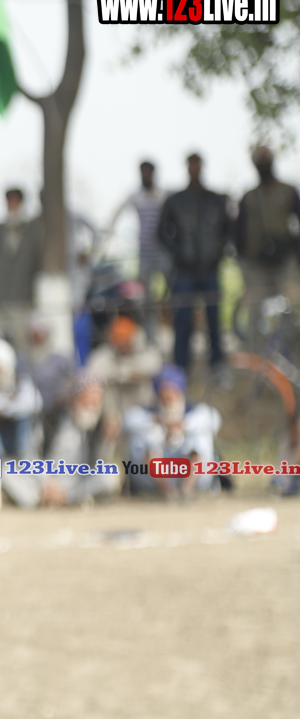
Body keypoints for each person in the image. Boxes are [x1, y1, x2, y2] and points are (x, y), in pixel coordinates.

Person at [158, 152, 234, 373]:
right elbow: (161, 232)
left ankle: (217, 365)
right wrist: (178, 252)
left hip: (210, 268)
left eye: (197, 165)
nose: (194, 169)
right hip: (184, 271)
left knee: (214, 320)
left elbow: (228, 229)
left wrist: (219, 250)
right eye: (191, 165)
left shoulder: (216, 199)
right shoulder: (175, 201)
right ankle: (181, 367)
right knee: (182, 320)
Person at [2, 371, 121, 508]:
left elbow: (97, 465)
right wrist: (46, 482)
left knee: (110, 476)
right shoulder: (51, 421)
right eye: (87, 403)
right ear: (75, 399)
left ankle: (64, 500)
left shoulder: (96, 428)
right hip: (43, 483)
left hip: (74, 487)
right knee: (3, 469)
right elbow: (30, 457)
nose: (91, 408)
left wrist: (107, 441)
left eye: (95, 404)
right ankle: (40, 500)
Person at [236, 145, 300, 350]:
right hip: (256, 264)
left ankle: (291, 356)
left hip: (284, 261)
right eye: (260, 162)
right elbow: (239, 232)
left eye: (266, 161)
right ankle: (256, 357)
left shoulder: (288, 191)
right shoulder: (249, 196)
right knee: (255, 312)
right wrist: (243, 262)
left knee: (288, 310)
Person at [124, 364, 222, 497]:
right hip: (152, 480)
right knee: (145, 436)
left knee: (200, 437)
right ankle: (167, 491)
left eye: (173, 393)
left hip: (192, 476)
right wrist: (159, 424)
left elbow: (214, 420)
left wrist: (183, 426)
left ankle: (187, 489)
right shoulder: (146, 413)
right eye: (164, 395)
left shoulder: (196, 411)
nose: (169, 398)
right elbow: (128, 421)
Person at [109, 161, 170, 343]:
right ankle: (151, 336)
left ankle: (171, 330)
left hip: (163, 253)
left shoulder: (163, 195)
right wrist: (108, 231)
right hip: (144, 254)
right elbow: (118, 210)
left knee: (172, 292)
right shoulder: (136, 197)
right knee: (144, 298)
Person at [0, 188, 42, 358]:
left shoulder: (32, 230)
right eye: (9, 201)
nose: (12, 205)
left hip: (21, 301)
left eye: (15, 201)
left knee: (22, 346)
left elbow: (37, 264)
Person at [85, 314, 162, 436]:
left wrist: (128, 375)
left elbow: (154, 368)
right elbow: (93, 371)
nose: (122, 346)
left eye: (125, 341)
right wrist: (117, 375)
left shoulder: (145, 353)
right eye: (119, 342)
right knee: (104, 388)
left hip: (142, 409)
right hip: (113, 413)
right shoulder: (104, 355)